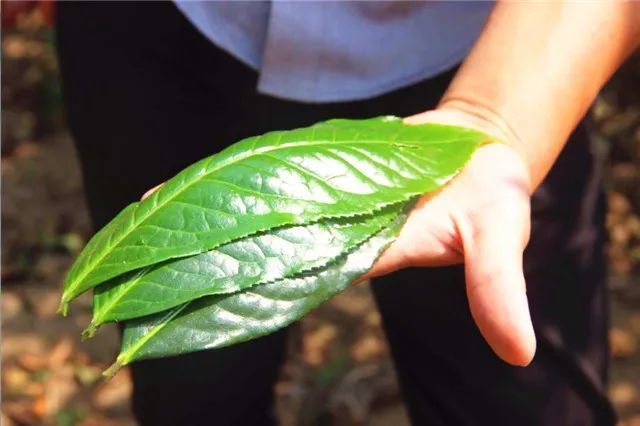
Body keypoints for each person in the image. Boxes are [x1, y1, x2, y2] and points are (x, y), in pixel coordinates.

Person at [55, 2, 639, 425]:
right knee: (189, 388)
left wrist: (496, 117)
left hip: (494, 53)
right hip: (167, 39)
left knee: (518, 400)